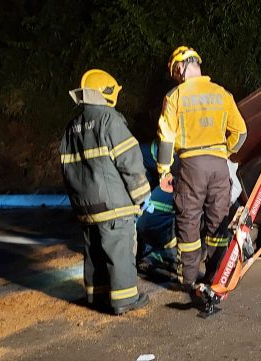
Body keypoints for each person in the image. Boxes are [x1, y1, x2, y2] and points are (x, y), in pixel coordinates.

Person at [156, 45, 247, 295]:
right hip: (219, 167)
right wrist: (225, 152)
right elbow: (241, 132)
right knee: (218, 222)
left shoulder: (175, 96)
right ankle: (217, 276)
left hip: (190, 167)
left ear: (180, 67)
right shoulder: (222, 93)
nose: (176, 77)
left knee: (189, 220)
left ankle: (188, 280)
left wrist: (164, 171)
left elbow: (166, 137)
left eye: (175, 72)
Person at [60, 69, 151, 315]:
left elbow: (66, 170)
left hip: (86, 206)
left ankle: (96, 295)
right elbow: (129, 160)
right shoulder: (109, 119)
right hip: (113, 205)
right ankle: (125, 299)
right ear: (106, 92)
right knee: (119, 250)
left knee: (94, 252)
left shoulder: (72, 127)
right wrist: (142, 195)